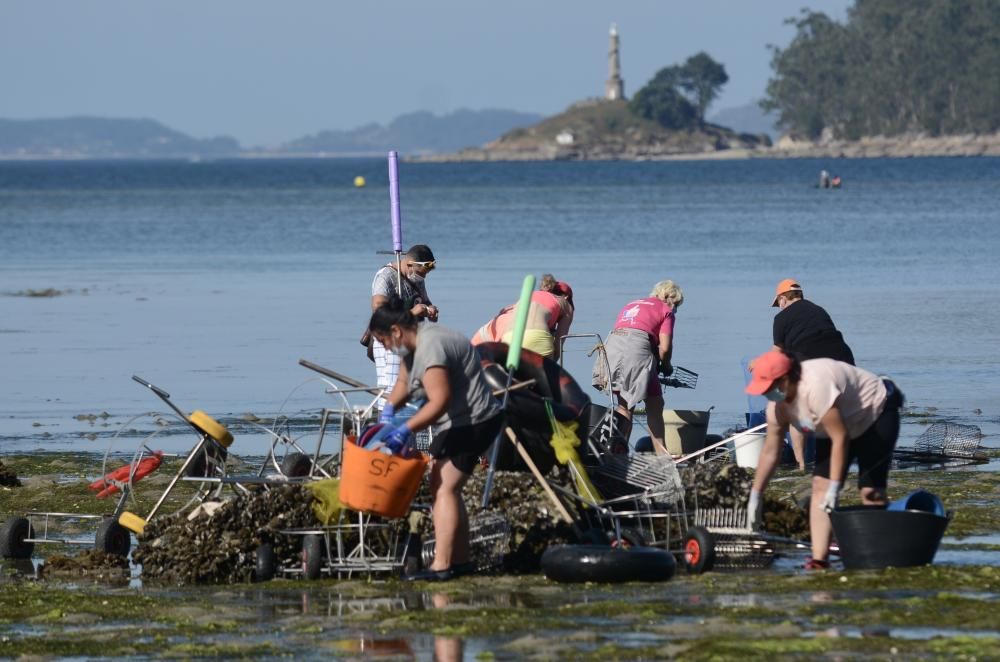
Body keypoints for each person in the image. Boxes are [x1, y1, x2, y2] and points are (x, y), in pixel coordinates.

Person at [368, 298, 503, 581]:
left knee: (444, 489)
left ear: (395, 331)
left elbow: (439, 401)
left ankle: (442, 566)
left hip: (476, 421)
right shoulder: (414, 345)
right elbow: (404, 383)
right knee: (442, 486)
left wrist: (405, 430)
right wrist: (388, 411)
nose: (384, 348)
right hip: (459, 422)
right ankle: (462, 561)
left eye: (383, 341)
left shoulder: (431, 346)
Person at [744, 349, 904, 570]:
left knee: (870, 492)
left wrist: (835, 488)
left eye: (769, 388)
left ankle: (884, 552)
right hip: (837, 424)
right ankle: (819, 560)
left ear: (786, 379)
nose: (767, 394)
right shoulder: (776, 407)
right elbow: (771, 452)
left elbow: (841, 438)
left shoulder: (815, 386)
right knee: (819, 485)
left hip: (876, 413)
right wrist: (755, 495)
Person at [767, 278, 856, 467]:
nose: (779, 307)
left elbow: (776, 355)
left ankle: (801, 465)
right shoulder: (819, 310)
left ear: (783, 298)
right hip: (844, 359)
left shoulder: (781, 318)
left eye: (778, 304)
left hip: (813, 361)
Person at [592, 280, 683, 456]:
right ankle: (621, 456)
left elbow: (635, 329)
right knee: (631, 406)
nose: (676, 308)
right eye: (677, 305)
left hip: (612, 347)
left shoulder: (633, 303)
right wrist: (667, 366)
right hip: (635, 351)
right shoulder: (666, 311)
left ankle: (624, 453)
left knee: (652, 402)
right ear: (672, 299)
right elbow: (665, 348)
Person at [370, 244, 439, 409]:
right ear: (409, 264)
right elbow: (379, 309)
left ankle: (409, 423)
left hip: (410, 338)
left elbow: (423, 299)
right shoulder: (386, 276)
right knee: (393, 386)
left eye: (426, 275)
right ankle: (387, 422)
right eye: (421, 273)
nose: (423, 278)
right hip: (390, 338)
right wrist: (412, 313)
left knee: (413, 383)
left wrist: (430, 309)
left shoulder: (416, 278)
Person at [471, 274, 574, 359]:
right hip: (537, 337)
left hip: (510, 337)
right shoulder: (566, 305)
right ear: (566, 297)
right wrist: (555, 361)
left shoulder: (528, 296)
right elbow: (560, 340)